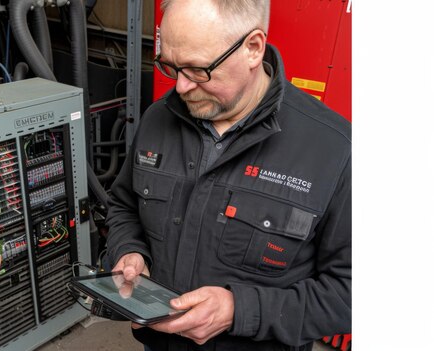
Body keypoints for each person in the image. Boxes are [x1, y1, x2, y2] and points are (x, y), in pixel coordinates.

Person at [104, 0, 351, 350]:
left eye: (197, 70)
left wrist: (239, 310)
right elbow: (124, 205)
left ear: (253, 48)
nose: (181, 87)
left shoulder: (335, 149)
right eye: (170, 66)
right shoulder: (158, 119)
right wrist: (129, 250)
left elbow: (350, 292)